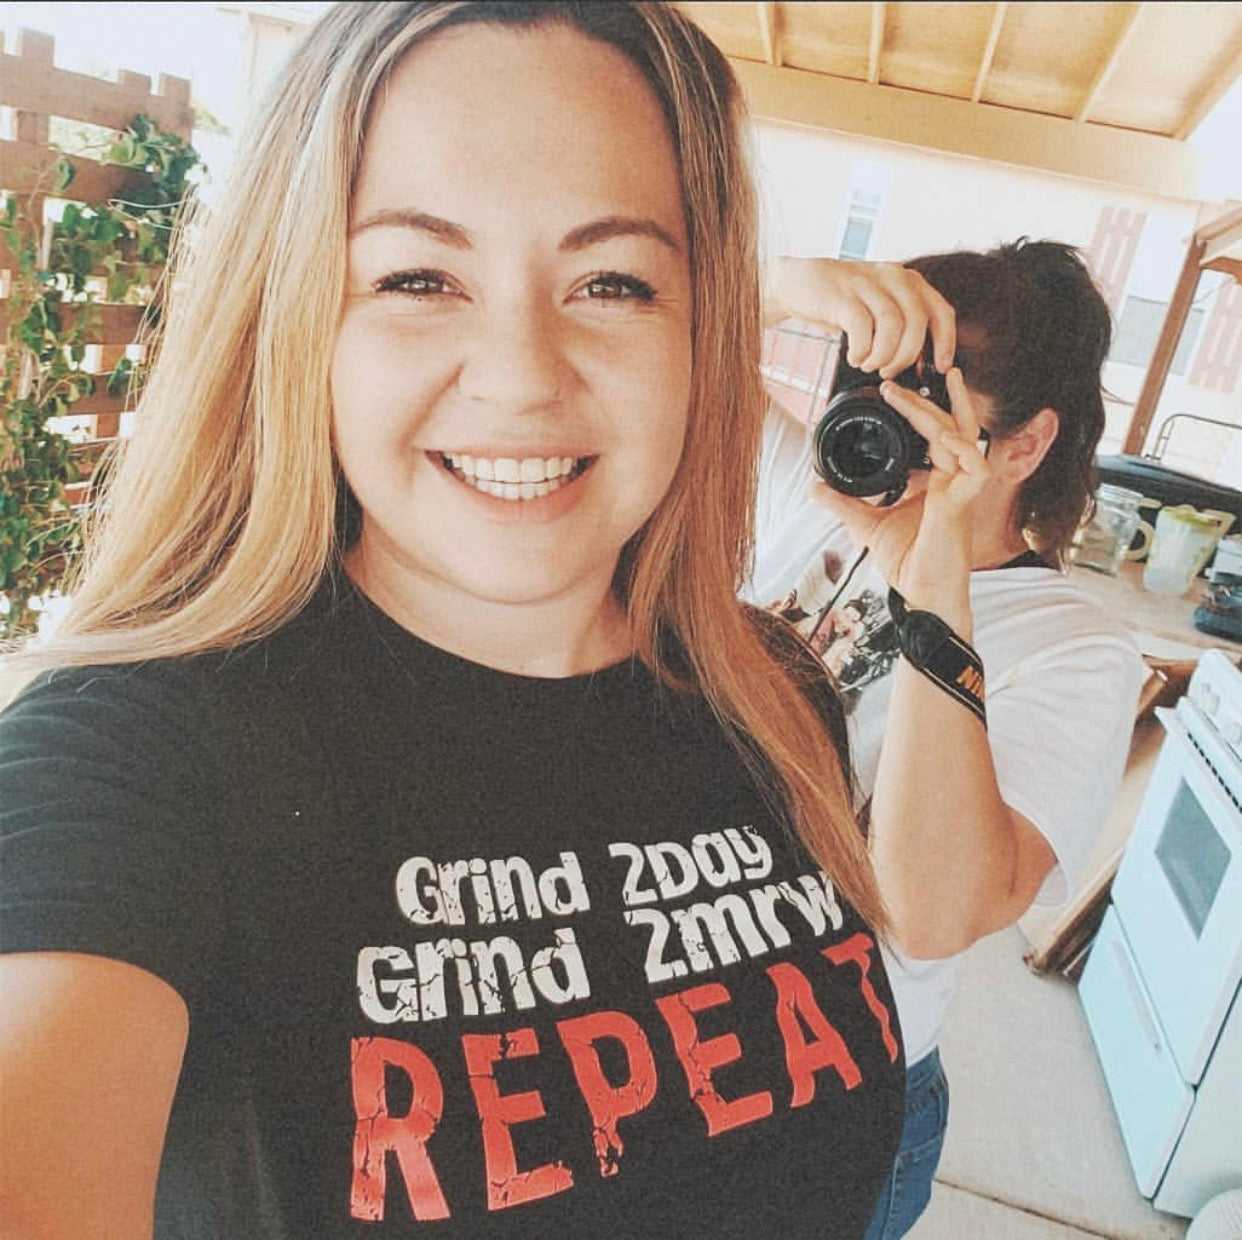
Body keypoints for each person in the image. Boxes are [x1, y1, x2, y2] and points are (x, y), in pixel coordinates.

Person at [0, 5, 906, 1239]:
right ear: (293, 316)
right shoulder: (134, 754)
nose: (521, 373)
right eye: (417, 278)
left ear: (704, 332)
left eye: (613, 282)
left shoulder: (775, 689)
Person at [750, 245, 1147, 1240]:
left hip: (838, 1106)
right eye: (871, 384)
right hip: (679, 1053)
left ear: (1023, 445)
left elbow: (930, 916)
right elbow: (659, 343)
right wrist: (784, 287)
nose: (882, 422)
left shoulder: (1072, 648)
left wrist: (928, 589)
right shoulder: (820, 497)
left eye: (925, 401)